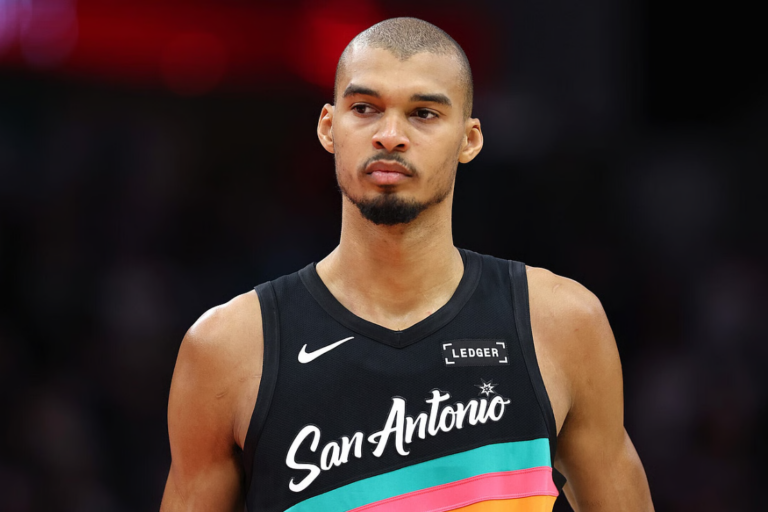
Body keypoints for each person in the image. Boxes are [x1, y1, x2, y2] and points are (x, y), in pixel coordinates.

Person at [160, 17, 654, 512]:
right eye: (365, 108)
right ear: (329, 127)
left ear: (470, 139)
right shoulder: (228, 348)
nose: (390, 135)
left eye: (423, 113)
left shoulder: (563, 324)